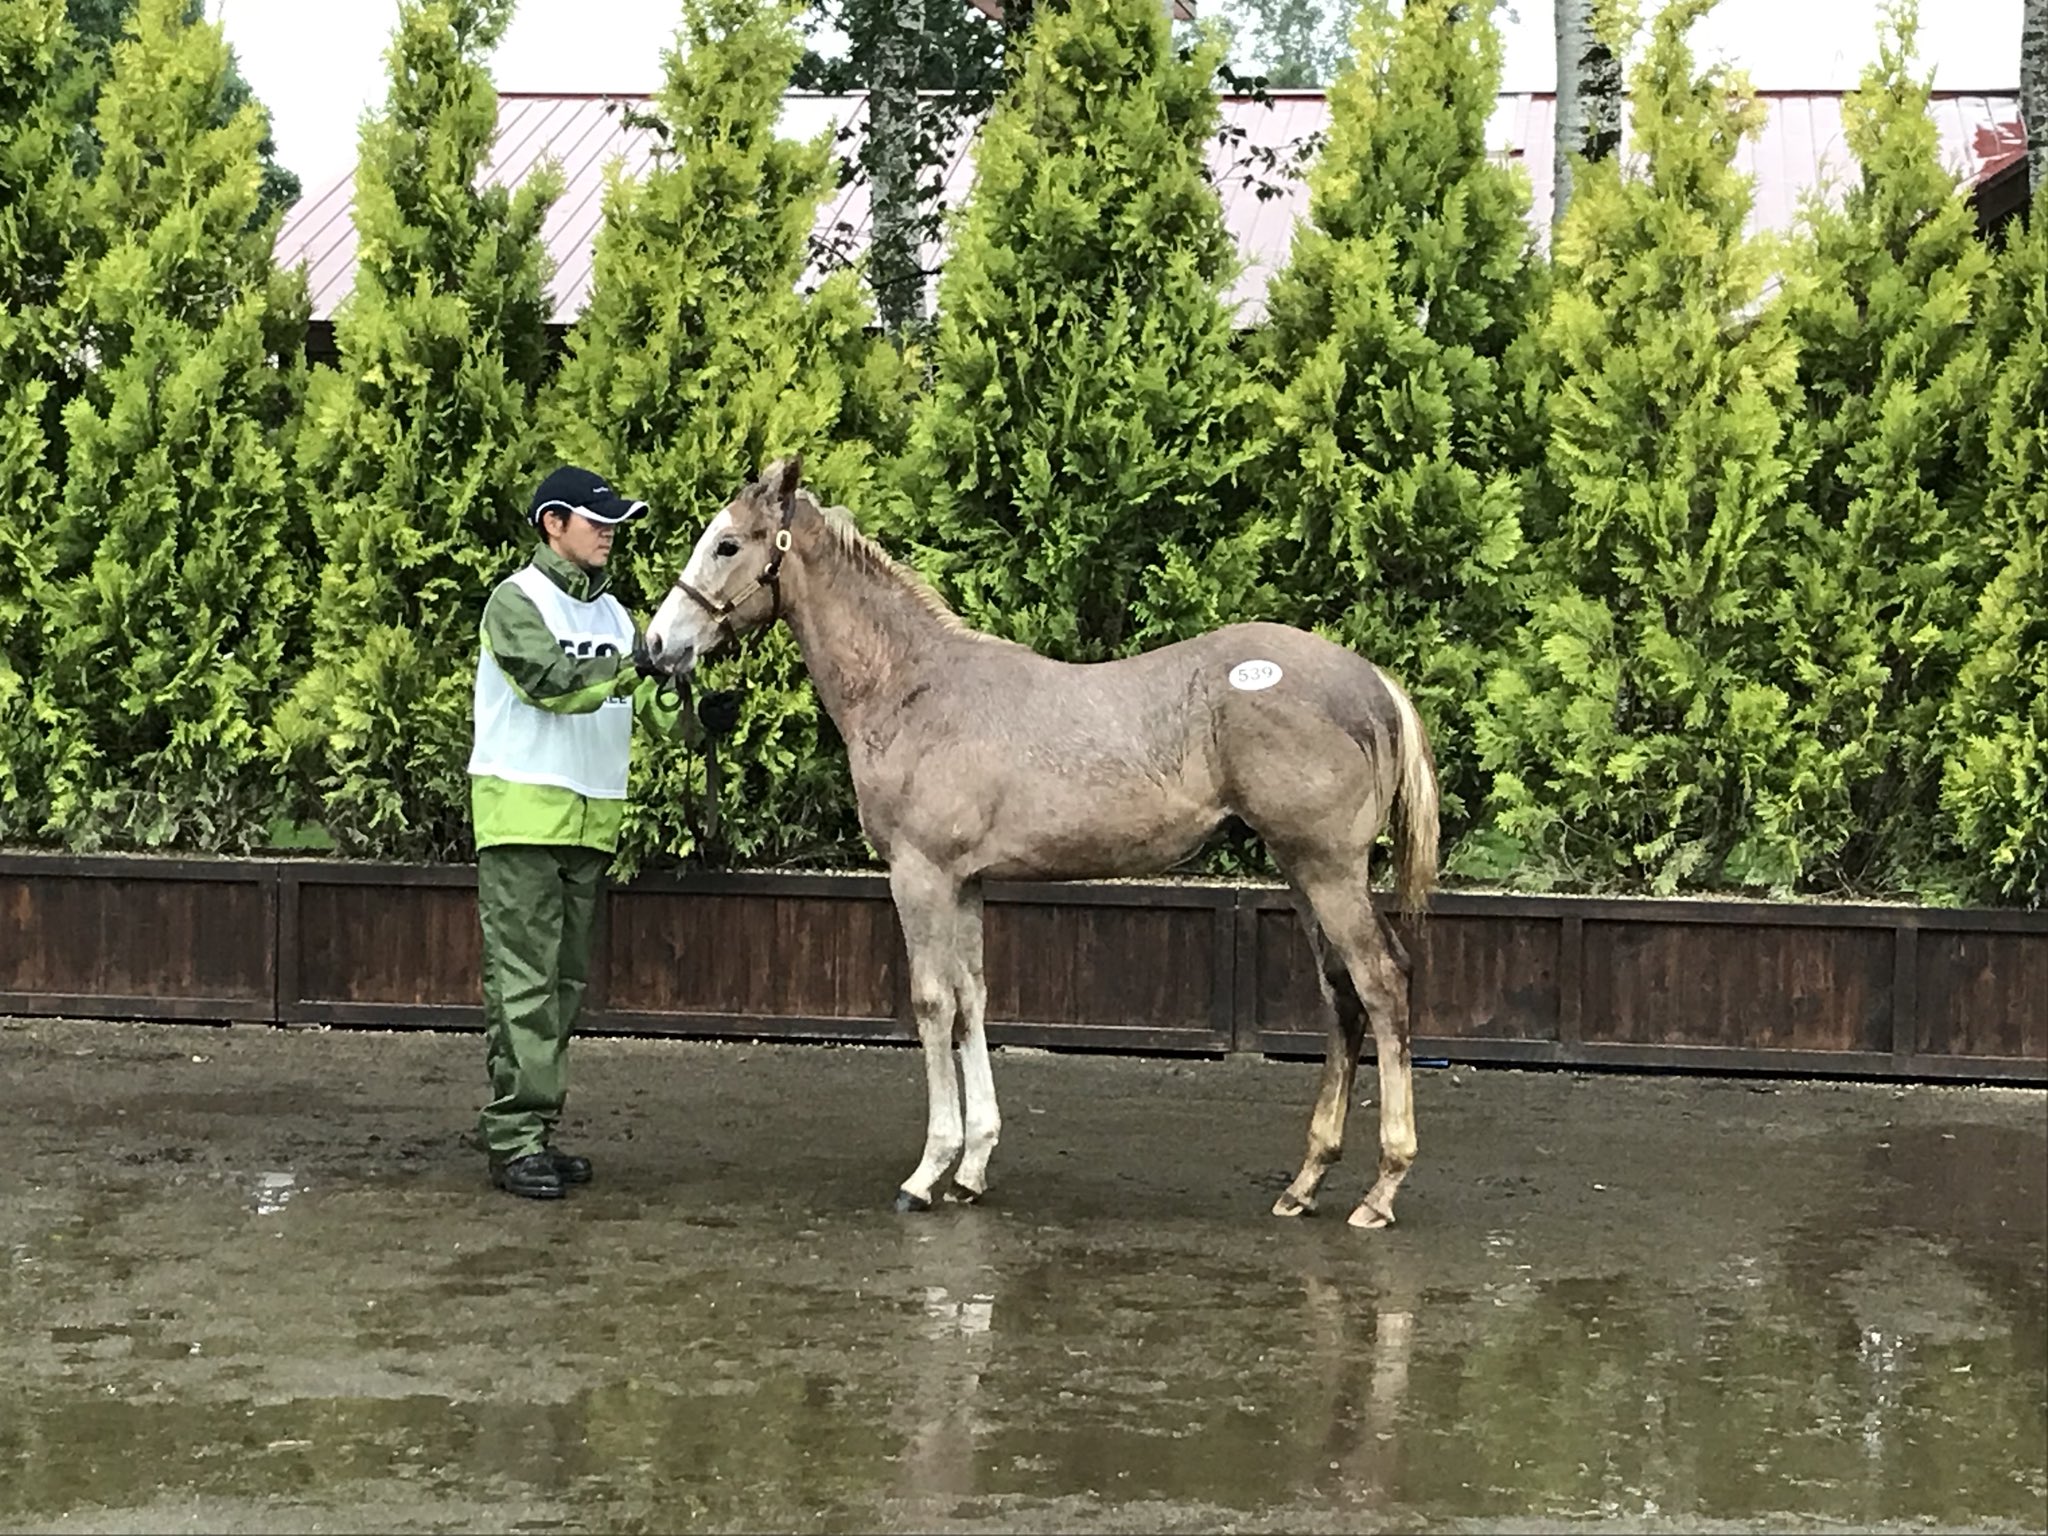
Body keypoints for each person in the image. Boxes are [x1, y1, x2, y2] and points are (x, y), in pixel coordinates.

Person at [467, 464, 740, 1200]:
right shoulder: (515, 601)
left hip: (589, 826)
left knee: (560, 989)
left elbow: (652, 710)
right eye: (598, 521)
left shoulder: (616, 616)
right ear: (552, 523)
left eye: (615, 522)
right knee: (524, 987)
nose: (611, 533)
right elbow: (551, 684)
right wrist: (637, 668)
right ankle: (515, 1139)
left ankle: (532, 1131)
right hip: (521, 820)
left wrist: (698, 719)